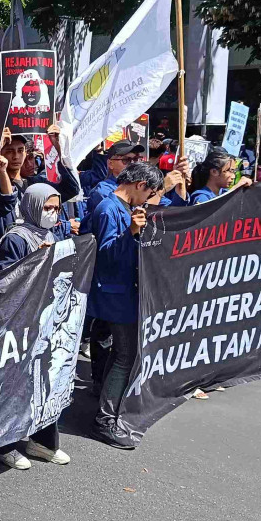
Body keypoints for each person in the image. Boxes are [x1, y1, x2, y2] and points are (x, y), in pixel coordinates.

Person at [0, 182, 74, 468]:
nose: (52, 213)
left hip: (49, 314)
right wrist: (39, 259)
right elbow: (9, 281)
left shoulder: (52, 232)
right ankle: (4, 444)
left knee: (48, 378)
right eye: (46, 207)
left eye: (56, 208)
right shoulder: (16, 237)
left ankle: (42, 440)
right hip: (22, 320)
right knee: (18, 382)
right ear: (32, 206)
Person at [89, 161, 165, 449]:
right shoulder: (109, 209)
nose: (147, 201)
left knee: (119, 353)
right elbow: (105, 255)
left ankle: (106, 405)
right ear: (140, 185)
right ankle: (104, 420)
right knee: (126, 355)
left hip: (122, 292)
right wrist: (130, 232)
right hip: (115, 294)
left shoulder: (120, 208)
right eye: (149, 194)